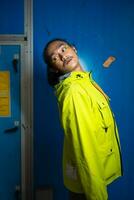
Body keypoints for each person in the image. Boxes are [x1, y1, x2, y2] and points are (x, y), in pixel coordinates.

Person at [43, 39, 123, 200]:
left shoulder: (85, 81)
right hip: (89, 184)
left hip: (96, 176)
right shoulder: (74, 91)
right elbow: (84, 149)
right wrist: (97, 196)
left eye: (63, 49)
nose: (62, 56)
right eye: (55, 58)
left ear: (74, 49)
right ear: (54, 68)